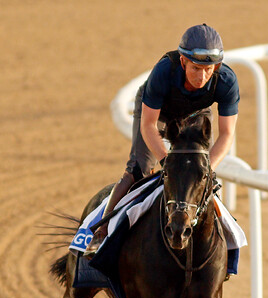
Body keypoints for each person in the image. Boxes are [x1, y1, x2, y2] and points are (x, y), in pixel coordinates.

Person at [85, 23, 239, 256]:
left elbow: (227, 134)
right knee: (138, 170)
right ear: (183, 61)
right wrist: (165, 160)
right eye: (196, 68)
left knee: (201, 177)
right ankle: (101, 233)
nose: (203, 76)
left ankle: (225, 248)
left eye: (209, 69)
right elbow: (148, 125)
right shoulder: (164, 71)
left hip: (196, 114)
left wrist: (206, 167)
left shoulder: (226, 80)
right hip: (157, 114)